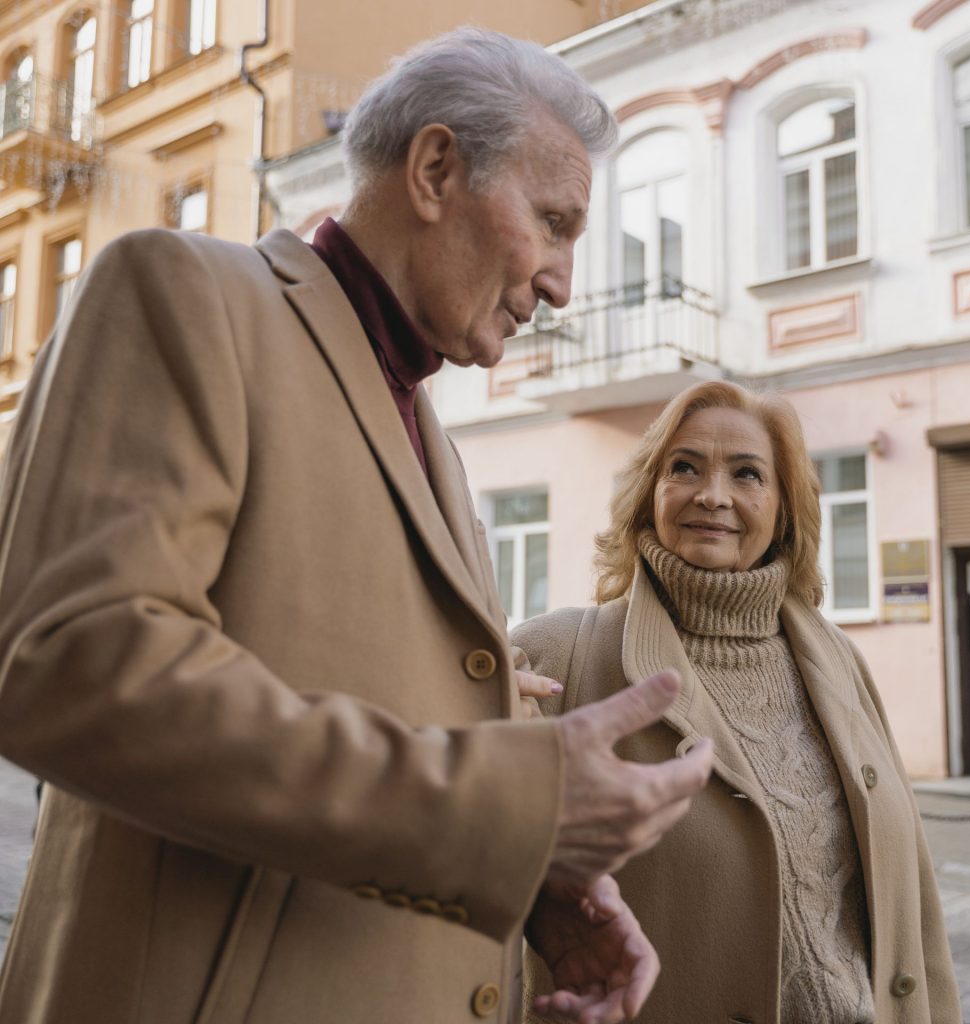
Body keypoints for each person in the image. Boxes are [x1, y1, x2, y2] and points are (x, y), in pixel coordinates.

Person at [0, 29, 714, 1024]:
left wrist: (540, 894)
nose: (561, 282)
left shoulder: (428, 428)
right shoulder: (185, 293)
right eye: (552, 223)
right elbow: (76, 665)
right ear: (433, 169)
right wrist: (510, 811)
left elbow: (388, 723)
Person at [513, 380, 960, 1024]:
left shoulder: (837, 660)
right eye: (684, 467)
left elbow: (914, 904)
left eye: (747, 473)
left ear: (782, 509)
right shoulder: (557, 656)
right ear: (649, 494)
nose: (713, 495)